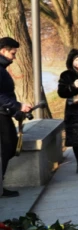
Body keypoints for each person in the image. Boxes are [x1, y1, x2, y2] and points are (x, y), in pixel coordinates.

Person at [0, 38, 32, 197]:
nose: (14, 56)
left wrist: (16, 111)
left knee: (9, 148)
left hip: (4, 114)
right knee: (6, 149)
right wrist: (18, 106)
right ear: (3, 51)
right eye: (12, 53)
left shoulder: (2, 68)